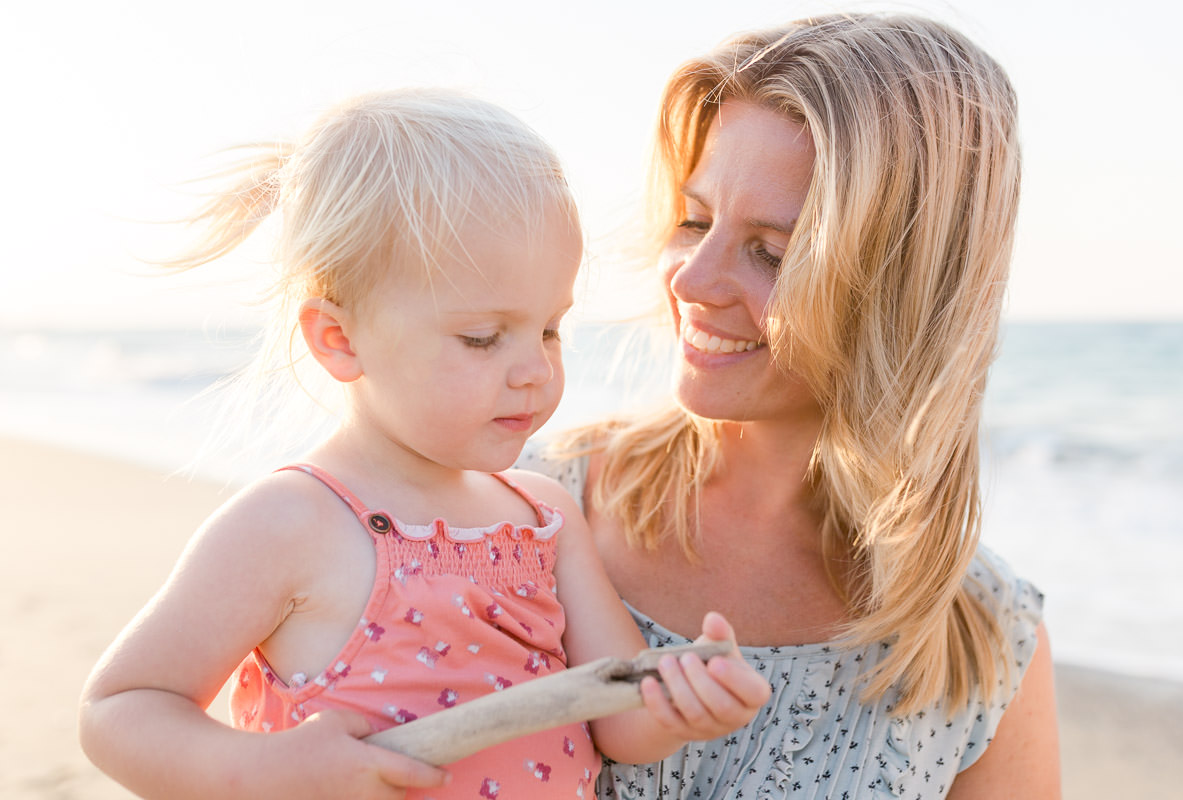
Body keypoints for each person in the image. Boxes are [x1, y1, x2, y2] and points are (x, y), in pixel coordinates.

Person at [78, 89, 770, 800]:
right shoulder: (292, 522)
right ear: (340, 339)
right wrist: (266, 772)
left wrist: (682, 704)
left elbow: (616, 723)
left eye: (552, 329)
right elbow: (121, 709)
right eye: (482, 337)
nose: (535, 369)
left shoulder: (542, 518)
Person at [519, 13, 1061, 799]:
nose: (691, 281)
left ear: (905, 294)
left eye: (771, 252)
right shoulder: (525, 508)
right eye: (694, 220)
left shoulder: (983, 641)